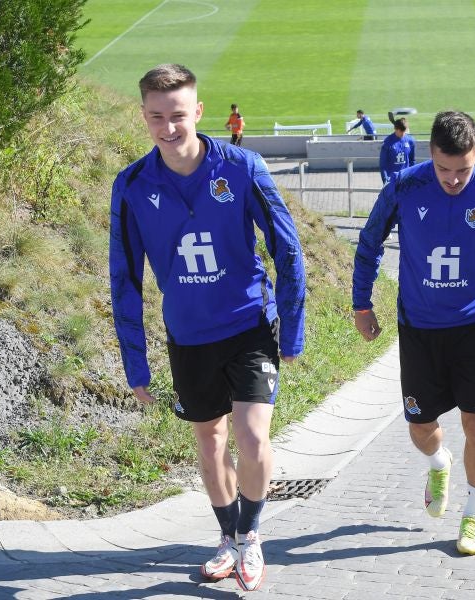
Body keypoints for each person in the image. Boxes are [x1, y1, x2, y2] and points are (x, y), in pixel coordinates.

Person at [109, 64, 306, 592]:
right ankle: (228, 538)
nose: (169, 127)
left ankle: (251, 534)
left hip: (248, 324)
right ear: (144, 116)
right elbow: (124, 278)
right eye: (157, 117)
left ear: (197, 111)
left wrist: (293, 329)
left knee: (252, 435)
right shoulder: (131, 185)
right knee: (210, 439)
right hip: (189, 336)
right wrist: (136, 364)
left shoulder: (241, 167)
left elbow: (287, 248)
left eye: (178, 115)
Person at [352, 110, 475, 556]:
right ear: (429, 153)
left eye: (463, 170)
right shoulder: (404, 187)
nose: (452, 179)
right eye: (443, 168)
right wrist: (361, 304)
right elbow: (369, 244)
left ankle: (473, 514)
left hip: (474, 326)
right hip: (419, 327)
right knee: (421, 426)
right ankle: (439, 462)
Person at [379, 117, 416, 184]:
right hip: (392, 180)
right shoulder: (387, 142)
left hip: (406, 178)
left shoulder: (410, 141)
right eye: (400, 131)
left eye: (404, 131)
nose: (402, 134)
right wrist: (385, 180)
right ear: (395, 129)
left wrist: (412, 175)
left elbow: (412, 160)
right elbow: (383, 164)